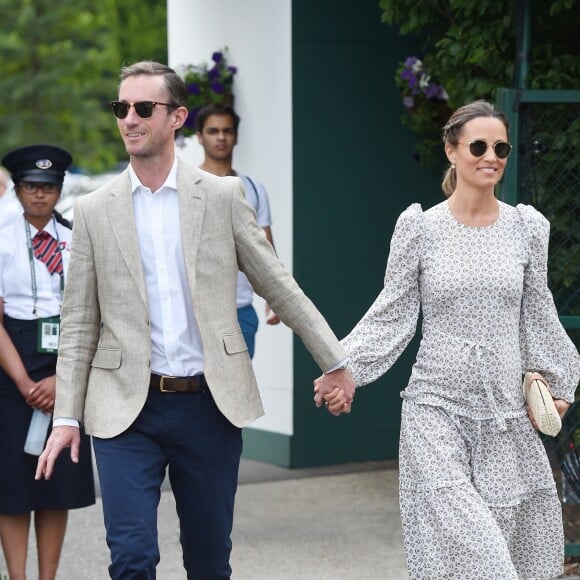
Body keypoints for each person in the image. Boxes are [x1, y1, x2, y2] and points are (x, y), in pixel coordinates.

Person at [35, 61, 354, 580]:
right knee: (132, 558)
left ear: (177, 116)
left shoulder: (224, 197)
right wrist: (67, 418)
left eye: (143, 108)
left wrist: (335, 360)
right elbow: (77, 325)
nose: (130, 119)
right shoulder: (94, 210)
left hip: (209, 405)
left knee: (208, 562)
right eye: (122, 108)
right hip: (123, 412)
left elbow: (277, 284)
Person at [319, 100, 580, 579]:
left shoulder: (526, 228)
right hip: (434, 411)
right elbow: (392, 313)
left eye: (501, 147)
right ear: (451, 150)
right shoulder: (420, 228)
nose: (492, 156)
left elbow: (538, 313)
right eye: (478, 145)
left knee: (506, 553)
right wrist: (346, 368)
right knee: (479, 554)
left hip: (505, 417)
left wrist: (559, 386)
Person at [0, 145, 95, 580]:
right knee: (13, 485)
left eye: (49, 187)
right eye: (31, 187)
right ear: (17, 189)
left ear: (60, 190)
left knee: (55, 481)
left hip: (66, 360)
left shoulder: (76, 236)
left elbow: (92, 311)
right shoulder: (1, 236)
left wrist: (62, 378)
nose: (40, 195)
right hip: (11, 359)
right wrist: (23, 381)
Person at [196, 104, 281, 358]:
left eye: (227, 131)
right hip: (194, 312)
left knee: (237, 394)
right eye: (213, 131)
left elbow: (265, 248)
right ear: (200, 137)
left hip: (240, 310)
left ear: (235, 136)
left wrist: (275, 297)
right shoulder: (184, 184)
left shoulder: (253, 188)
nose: (221, 137)